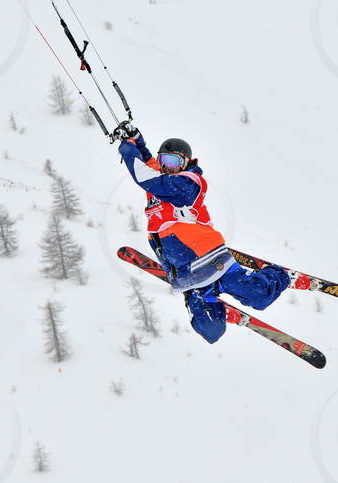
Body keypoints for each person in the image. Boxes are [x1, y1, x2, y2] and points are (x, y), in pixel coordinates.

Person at [118, 130, 291, 343]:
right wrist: (134, 140)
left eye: (174, 161)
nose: (167, 166)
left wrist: (126, 150)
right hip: (188, 277)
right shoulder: (159, 179)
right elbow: (146, 162)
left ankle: (279, 275)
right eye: (164, 160)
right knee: (210, 333)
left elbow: (145, 176)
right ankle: (214, 306)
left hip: (214, 263)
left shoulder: (189, 183)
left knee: (261, 297)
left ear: (186, 162)